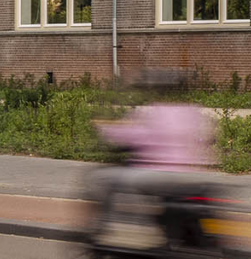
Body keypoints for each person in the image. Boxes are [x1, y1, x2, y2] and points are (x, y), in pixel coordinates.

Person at [88, 91, 217, 243]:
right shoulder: (192, 112)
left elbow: (133, 135)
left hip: (159, 174)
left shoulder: (154, 112)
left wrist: (104, 130)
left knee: (106, 179)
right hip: (190, 175)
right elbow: (208, 137)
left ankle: (120, 231)